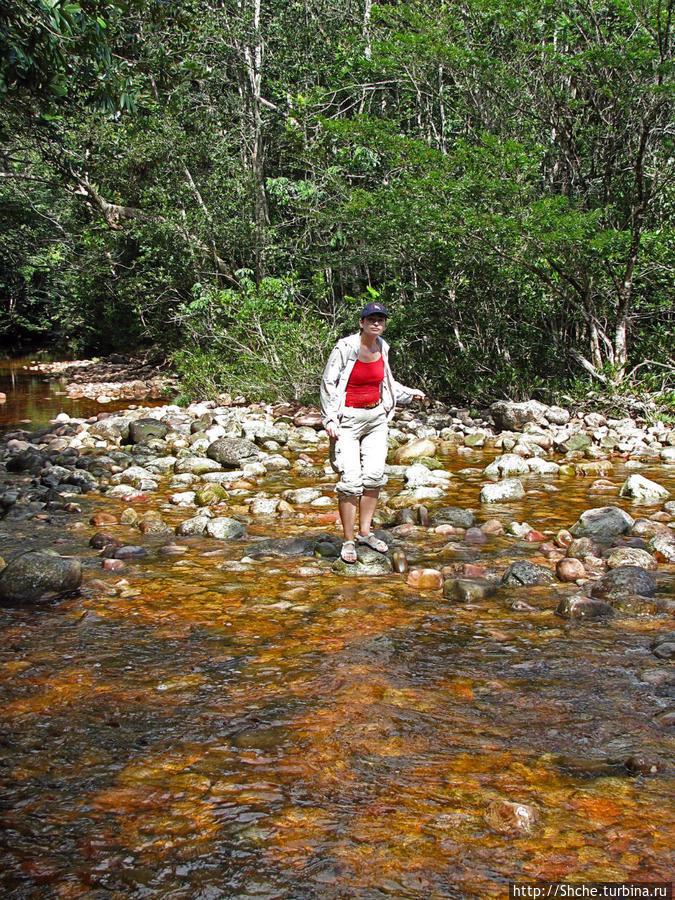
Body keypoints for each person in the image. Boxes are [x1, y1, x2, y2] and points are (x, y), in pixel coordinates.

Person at [320, 301, 426, 563]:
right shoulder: (345, 348)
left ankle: (365, 533)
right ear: (361, 322)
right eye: (371, 319)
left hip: (376, 417)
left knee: (375, 476)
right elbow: (328, 382)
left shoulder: (383, 346)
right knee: (350, 482)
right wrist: (329, 419)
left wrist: (409, 394)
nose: (376, 323)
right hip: (347, 420)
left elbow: (386, 381)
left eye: (380, 319)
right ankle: (347, 541)